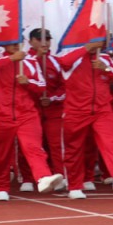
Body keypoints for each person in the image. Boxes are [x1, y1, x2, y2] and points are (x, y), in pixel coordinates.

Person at [0, 42, 64, 201]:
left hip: (26, 113)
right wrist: (11, 59)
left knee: (33, 147)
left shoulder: (30, 61)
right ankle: (1, 187)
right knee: (0, 155)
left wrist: (28, 83)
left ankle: (43, 176)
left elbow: (41, 86)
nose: (14, 45)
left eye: (17, 42)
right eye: (10, 43)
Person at [56, 41, 113, 200]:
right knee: (74, 149)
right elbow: (63, 63)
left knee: (111, 141)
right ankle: (74, 186)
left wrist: (105, 69)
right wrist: (86, 48)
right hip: (76, 110)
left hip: (102, 109)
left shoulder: (105, 59)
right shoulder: (72, 56)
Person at [28, 29, 67, 189]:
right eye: (39, 39)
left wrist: (51, 99)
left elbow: (65, 87)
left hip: (53, 111)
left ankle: (59, 177)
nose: (44, 43)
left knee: (56, 144)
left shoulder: (57, 62)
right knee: (32, 145)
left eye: (48, 39)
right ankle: (29, 178)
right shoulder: (25, 60)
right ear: (31, 41)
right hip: (31, 110)